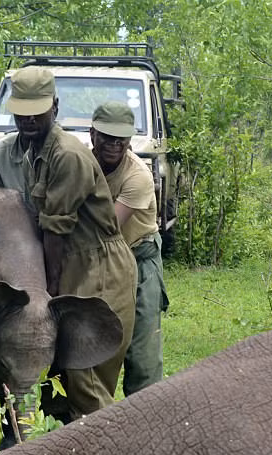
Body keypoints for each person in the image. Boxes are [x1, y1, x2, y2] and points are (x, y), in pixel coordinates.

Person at [7, 66, 137, 419]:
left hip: (99, 266)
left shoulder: (66, 155)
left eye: (38, 111)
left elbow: (57, 230)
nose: (29, 119)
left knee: (85, 370)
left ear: (55, 107)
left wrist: (46, 291)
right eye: (22, 112)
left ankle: (118, 445)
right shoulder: (36, 151)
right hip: (76, 263)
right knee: (67, 372)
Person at [90, 101, 168, 395]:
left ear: (130, 139)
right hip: (97, 261)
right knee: (97, 346)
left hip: (138, 258)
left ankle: (145, 420)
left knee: (143, 355)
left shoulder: (138, 176)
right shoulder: (82, 164)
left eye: (121, 138)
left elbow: (106, 228)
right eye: (107, 136)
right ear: (92, 134)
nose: (114, 144)